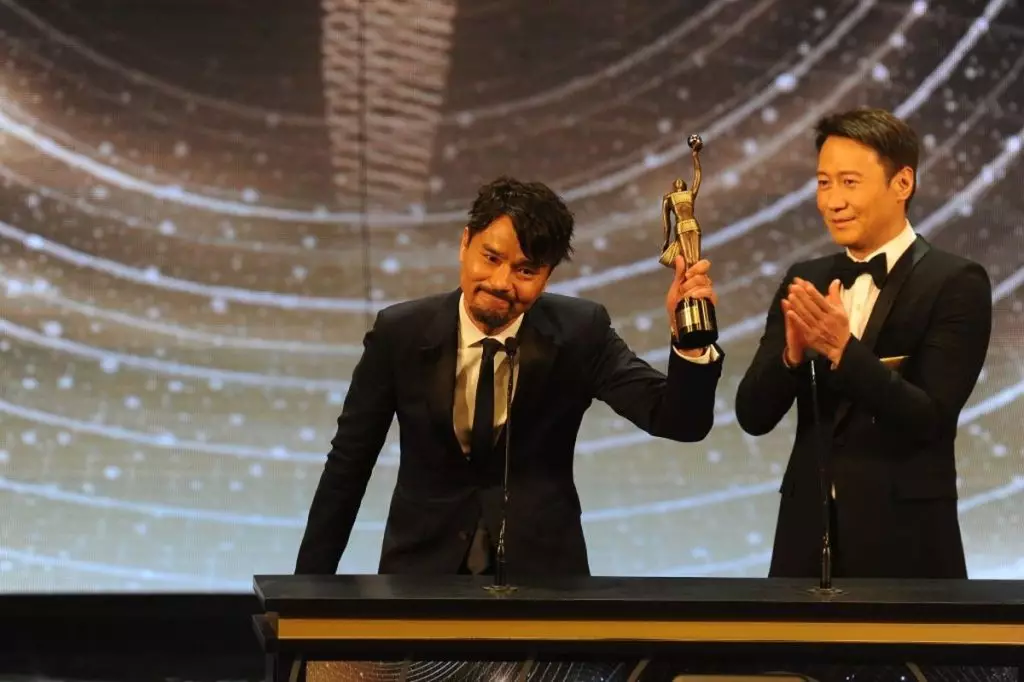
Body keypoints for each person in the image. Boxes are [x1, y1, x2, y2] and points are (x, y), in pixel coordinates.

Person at [295, 176, 724, 577]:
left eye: (525, 271)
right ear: (465, 243)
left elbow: (679, 422)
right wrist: (306, 591)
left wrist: (689, 341)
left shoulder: (580, 332)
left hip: (543, 580)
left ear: (548, 276)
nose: (501, 282)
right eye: (491, 258)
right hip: (421, 574)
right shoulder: (400, 333)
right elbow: (349, 464)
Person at [735, 108, 992, 579]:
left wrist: (843, 351)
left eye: (849, 182)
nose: (833, 201)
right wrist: (791, 358)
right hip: (803, 540)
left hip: (906, 544)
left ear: (902, 183)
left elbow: (930, 418)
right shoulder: (805, 279)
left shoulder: (956, 282)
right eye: (823, 183)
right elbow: (752, 415)